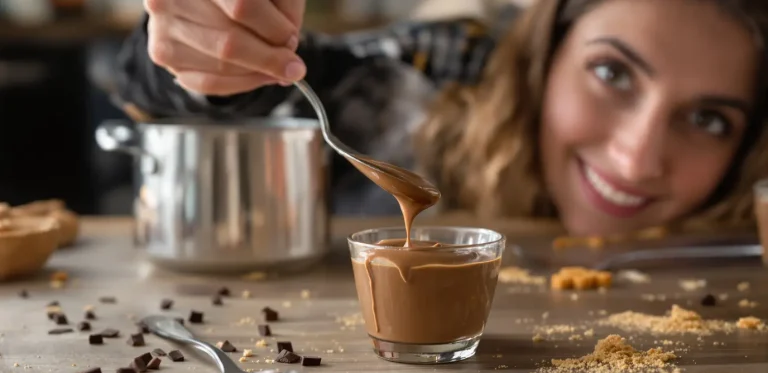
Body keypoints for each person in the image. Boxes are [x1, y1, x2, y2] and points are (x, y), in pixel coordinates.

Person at [111, 0, 768, 237]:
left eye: (708, 119)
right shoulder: (441, 68)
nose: (635, 159)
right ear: (546, 49)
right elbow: (244, 92)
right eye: (612, 73)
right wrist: (212, 52)